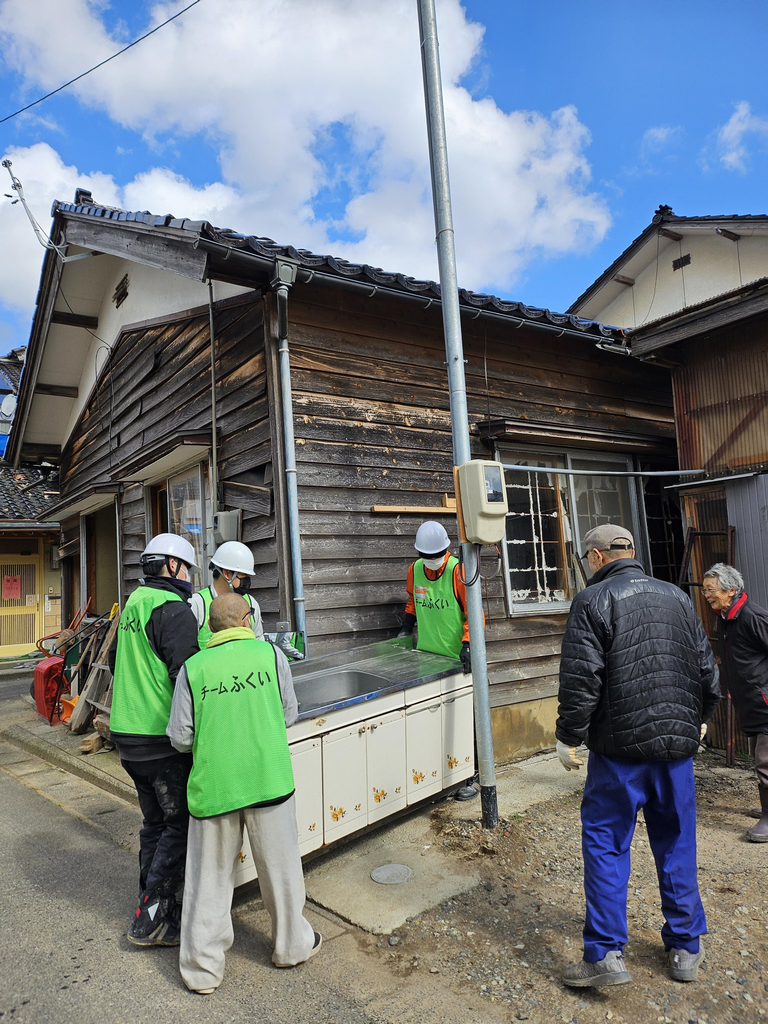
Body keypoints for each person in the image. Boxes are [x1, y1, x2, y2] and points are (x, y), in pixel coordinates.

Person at [556, 523, 720, 988]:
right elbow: (706, 668)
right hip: (676, 753)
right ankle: (687, 946)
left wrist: (567, 735)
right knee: (677, 841)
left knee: (606, 845)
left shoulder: (592, 601)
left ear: (595, 558)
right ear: (631, 551)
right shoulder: (677, 596)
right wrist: (703, 715)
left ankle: (606, 954)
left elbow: (581, 678)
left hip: (619, 754)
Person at [167, 593, 320, 994]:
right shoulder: (271, 658)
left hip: (214, 788)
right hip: (268, 781)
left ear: (212, 627)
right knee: (282, 873)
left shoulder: (193, 668)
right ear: (246, 619)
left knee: (208, 880)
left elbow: (180, 738)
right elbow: (289, 714)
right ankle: (291, 947)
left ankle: (202, 970)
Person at [109, 533, 201, 947]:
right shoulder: (173, 609)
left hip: (126, 734)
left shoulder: (133, 604)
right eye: (188, 569)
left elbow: (114, 662)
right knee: (178, 823)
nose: (191, 578)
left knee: (155, 822)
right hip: (158, 737)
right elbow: (189, 676)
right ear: (174, 566)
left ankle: (152, 900)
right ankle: (149, 917)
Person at [398, 520, 478, 800]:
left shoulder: (459, 571)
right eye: (426, 556)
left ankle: (471, 777)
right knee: (435, 722)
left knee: (465, 719)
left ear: (446, 550)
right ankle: (438, 780)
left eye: (435, 556)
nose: (431, 561)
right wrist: (406, 628)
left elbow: (473, 613)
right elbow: (412, 601)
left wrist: (468, 646)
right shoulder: (415, 570)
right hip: (429, 657)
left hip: (458, 658)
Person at [703, 563, 768, 841]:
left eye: (711, 590)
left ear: (731, 590)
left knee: (765, 761)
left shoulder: (752, 616)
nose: (706, 595)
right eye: (705, 590)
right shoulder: (726, 615)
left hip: (764, 700)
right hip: (749, 699)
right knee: (760, 756)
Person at [189, 541, 264, 649]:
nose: (247, 581)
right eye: (243, 575)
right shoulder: (197, 604)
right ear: (227, 574)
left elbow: (259, 644)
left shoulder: (251, 603)